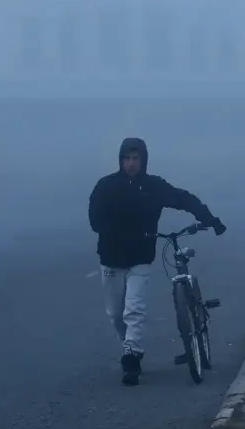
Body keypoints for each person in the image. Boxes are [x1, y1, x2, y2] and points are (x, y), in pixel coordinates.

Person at [88, 137, 226, 386]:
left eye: (136, 158)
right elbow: (95, 219)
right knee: (116, 314)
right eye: (127, 158)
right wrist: (116, 231)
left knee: (134, 310)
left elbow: (183, 199)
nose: (131, 163)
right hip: (111, 259)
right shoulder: (106, 186)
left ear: (144, 160)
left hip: (141, 258)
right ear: (121, 160)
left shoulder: (153, 187)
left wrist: (210, 219)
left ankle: (132, 356)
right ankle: (130, 345)